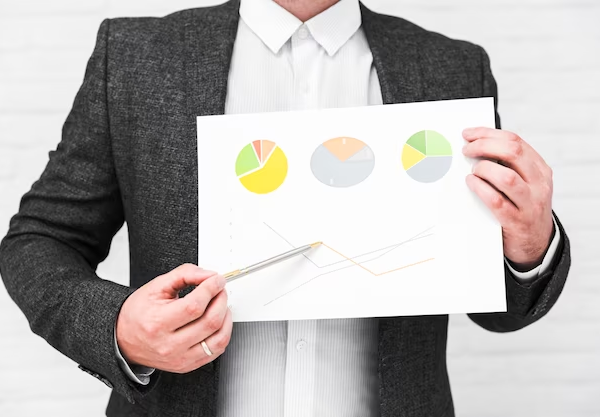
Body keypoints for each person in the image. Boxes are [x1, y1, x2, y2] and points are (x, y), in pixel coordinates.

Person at [0, 0, 571, 416]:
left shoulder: (451, 68)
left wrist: (529, 244)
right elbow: (41, 238)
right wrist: (119, 326)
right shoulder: (134, 57)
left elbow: (498, 308)